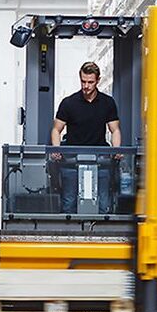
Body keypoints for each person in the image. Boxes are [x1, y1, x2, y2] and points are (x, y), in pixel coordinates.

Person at [50, 61, 121, 213]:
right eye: (83, 81)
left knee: (104, 204)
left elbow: (115, 130)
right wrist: (56, 149)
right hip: (71, 160)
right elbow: (56, 129)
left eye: (90, 82)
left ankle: (101, 228)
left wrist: (117, 149)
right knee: (69, 203)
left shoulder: (108, 103)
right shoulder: (68, 103)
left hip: (100, 159)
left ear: (98, 80)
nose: (86, 86)